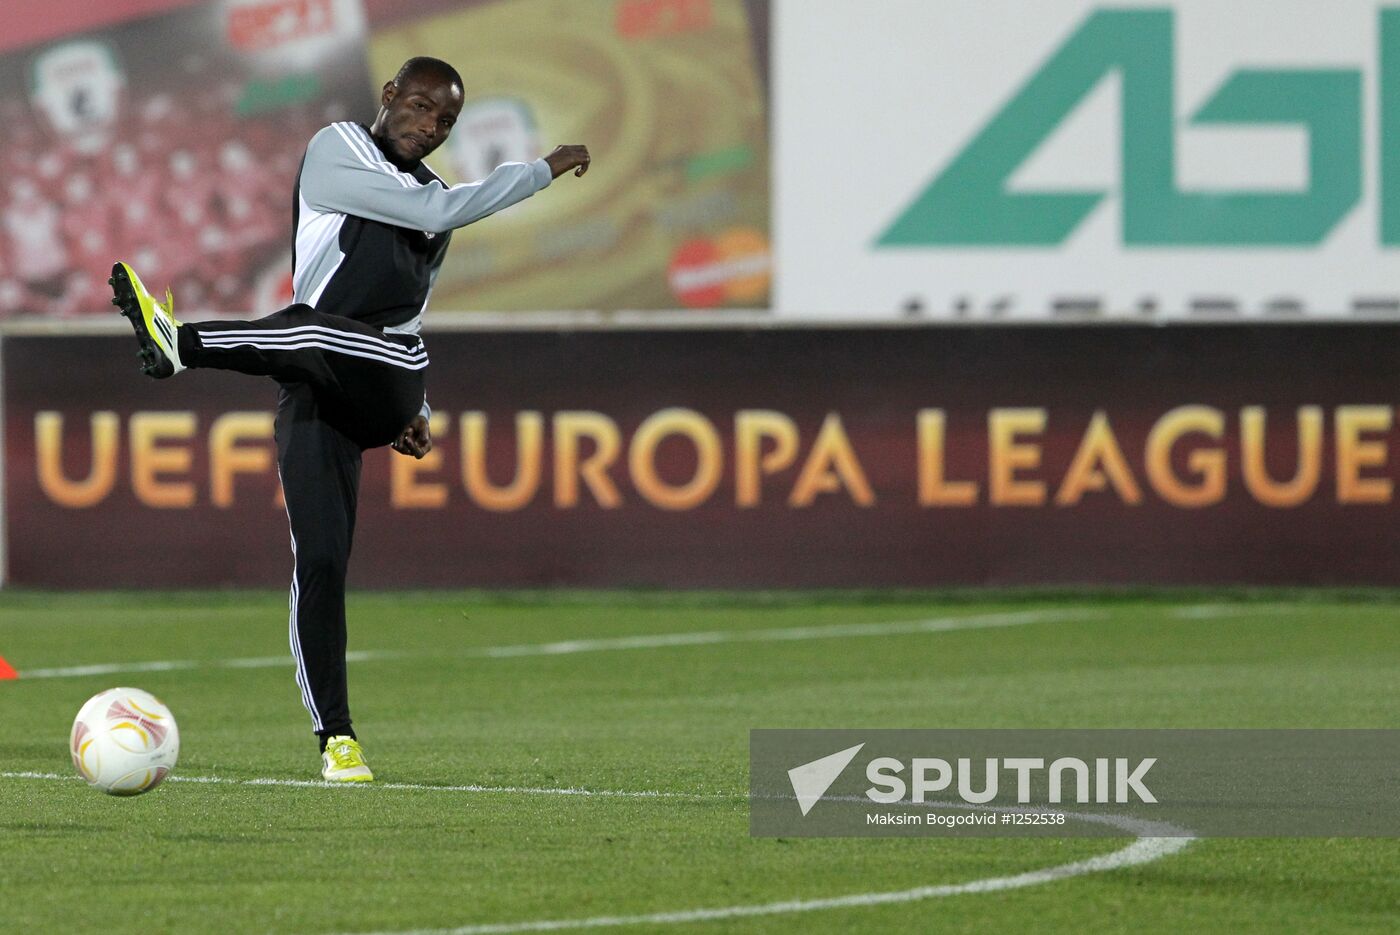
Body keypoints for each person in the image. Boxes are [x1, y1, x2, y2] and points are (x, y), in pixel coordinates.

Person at [110, 57, 590, 782]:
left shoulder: (435, 197)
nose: (429, 127)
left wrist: (417, 406)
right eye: (421, 107)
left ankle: (185, 343)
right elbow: (430, 215)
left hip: (389, 370)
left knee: (306, 328)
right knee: (321, 561)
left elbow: (413, 295)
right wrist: (537, 172)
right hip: (319, 380)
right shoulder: (338, 148)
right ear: (390, 94)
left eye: (446, 121)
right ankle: (337, 740)